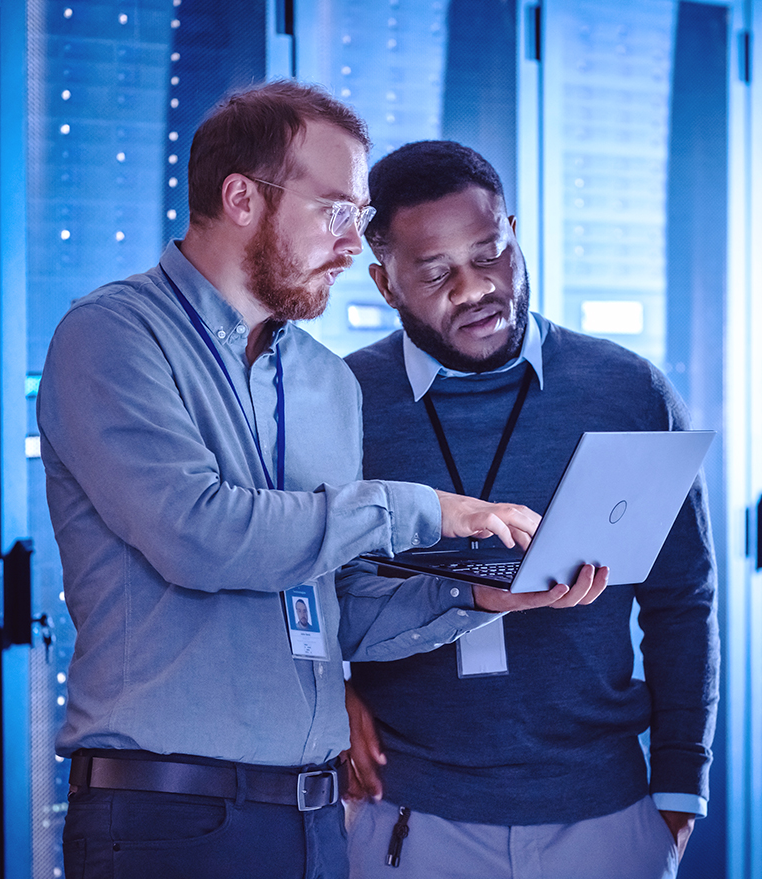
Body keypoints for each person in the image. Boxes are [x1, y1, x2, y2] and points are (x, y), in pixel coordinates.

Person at [37, 83, 605, 879]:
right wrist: (427, 509)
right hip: (168, 817)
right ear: (241, 197)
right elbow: (200, 536)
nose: (353, 246)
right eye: (337, 211)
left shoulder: (323, 381)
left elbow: (336, 612)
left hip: (313, 820)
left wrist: (477, 597)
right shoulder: (113, 337)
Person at [340, 141, 719, 879]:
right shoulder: (345, 405)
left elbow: (683, 601)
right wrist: (335, 693)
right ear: (386, 284)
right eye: (437, 272)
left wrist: (679, 787)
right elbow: (302, 590)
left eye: (491, 253)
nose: (477, 287)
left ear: (513, 230)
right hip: (410, 818)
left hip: (605, 816)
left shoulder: (626, 389)